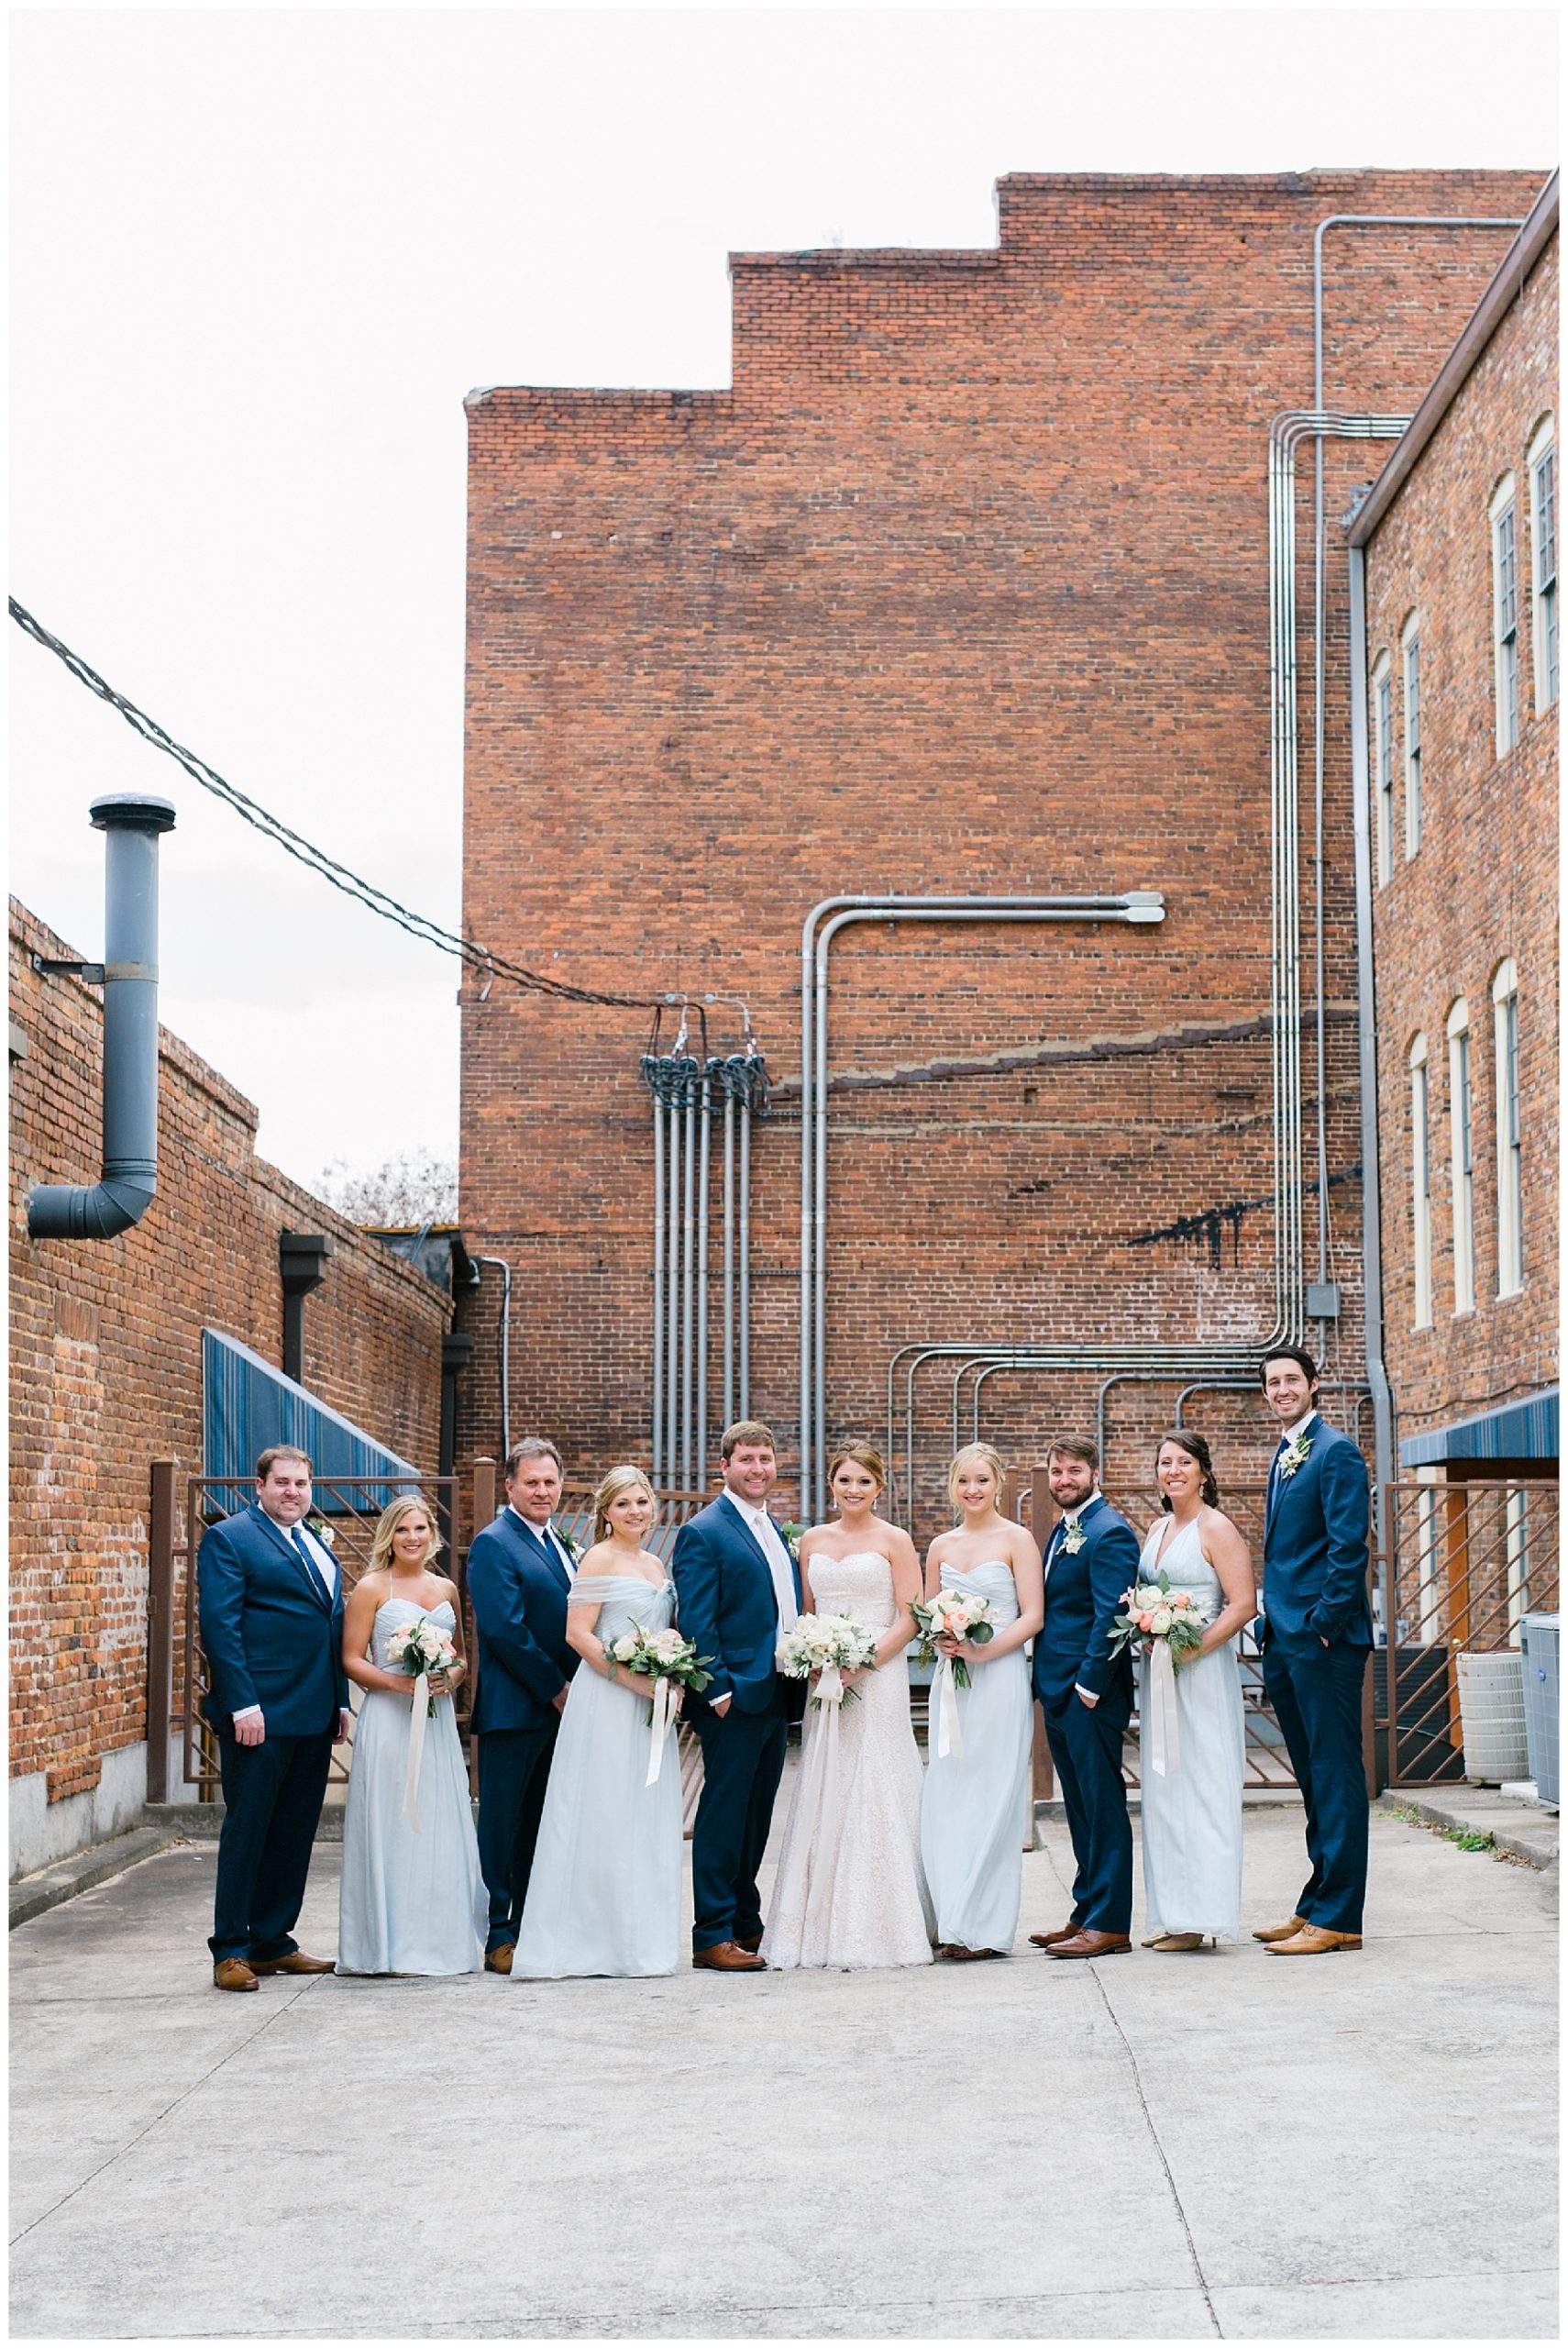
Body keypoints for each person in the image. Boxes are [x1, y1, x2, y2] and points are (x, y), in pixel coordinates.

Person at [762, 1444, 933, 1971]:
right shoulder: (812, 1540)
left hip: (877, 1675)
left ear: (879, 1487)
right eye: (844, 1481)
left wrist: (863, 1662)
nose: (853, 1490)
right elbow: (807, 1614)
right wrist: (811, 1657)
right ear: (830, 1485)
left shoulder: (895, 1540)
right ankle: (816, 1923)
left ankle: (888, 1920)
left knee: (876, 1774)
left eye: (863, 1481)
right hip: (825, 1680)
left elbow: (911, 1615)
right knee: (828, 1777)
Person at [514, 1467, 684, 1978]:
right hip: (608, 1700)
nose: (635, 1512)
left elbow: (662, 1629)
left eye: (642, 1502)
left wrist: (668, 1670)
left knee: (642, 1814)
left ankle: (636, 1940)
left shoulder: (656, 1563)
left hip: (649, 1704)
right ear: (605, 1512)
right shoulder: (599, 1557)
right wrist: (633, 1680)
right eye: (624, 1504)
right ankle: (591, 1941)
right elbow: (578, 1635)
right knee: (603, 1811)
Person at [196, 1445, 349, 1990]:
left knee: (293, 1832)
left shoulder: (314, 1542)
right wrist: (242, 1702)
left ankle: (272, 1941)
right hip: (257, 1713)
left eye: (301, 1483)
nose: (292, 1491)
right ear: (258, 1487)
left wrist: (340, 1701)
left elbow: (330, 1626)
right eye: (282, 1482)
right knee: (249, 1829)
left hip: (312, 1712)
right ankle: (231, 1949)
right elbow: (220, 1626)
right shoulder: (230, 1538)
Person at [671, 1420, 805, 1973]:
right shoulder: (705, 1531)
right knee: (725, 1816)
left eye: (765, 1459)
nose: (757, 1469)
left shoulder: (772, 1527)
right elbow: (698, 1619)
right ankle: (712, 1933)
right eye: (746, 1459)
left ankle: (746, 1923)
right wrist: (719, 1689)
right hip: (734, 1697)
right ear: (724, 1467)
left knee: (757, 1814)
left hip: (775, 1692)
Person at [1252, 1346, 1374, 1955]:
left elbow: (1349, 1549)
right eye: (1272, 1382)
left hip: (1323, 1642)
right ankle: (1315, 1903)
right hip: (1285, 1638)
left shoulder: (1336, 1452)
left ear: (1314, 1385)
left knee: (1334, 1774)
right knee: (1310, 1777)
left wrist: (1323, 1625)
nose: (1281, 1389)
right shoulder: (1285, 1454)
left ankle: (1340, 1917)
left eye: (1291, 1379)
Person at [337, 1493, 486, 1977]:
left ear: (432, 1535)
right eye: (403, 1530)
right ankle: (387, 1946)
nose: (413, 1538)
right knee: (392, 1822)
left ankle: (438, 1943)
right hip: (389, 1718)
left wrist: (453, 1677)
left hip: (436, 1723)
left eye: (420, 1529)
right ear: (389, 1537)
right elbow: (353, 1659)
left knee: (437, 1824)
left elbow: (460, 1655)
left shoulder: (445, 1589)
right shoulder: (371, 1588)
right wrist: (400, 1682)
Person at [919, 1443, 1043, 1960]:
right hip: (953, 1682)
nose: (973, 1490)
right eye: (964, 1481)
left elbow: (1032, 1616)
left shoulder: (1018, 1540)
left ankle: (985, 1929)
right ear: (954, 1485)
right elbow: (927, 1614)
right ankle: (952, 1919)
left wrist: (983, 1648)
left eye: (983, 1481)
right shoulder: (940, 1546)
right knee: (949, 1797)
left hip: (1000, 1678)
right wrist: (943, 1640)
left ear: (999, 1484)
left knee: (994, 1796)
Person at [1134, 1432, 1253, 1951]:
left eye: (1185, 1462)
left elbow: (1242, 1604)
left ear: (1204, 1472)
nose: (1174, 1470)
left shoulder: (1216, 1527)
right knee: (1164, 1790)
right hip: (1159, 1674)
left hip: (1200, 1674)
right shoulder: (1158, 1527)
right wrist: (1146, 1629)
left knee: (1203, 1789)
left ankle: (1203, 1917)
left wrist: (1193, 1649)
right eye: (1165, 1462)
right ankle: (1176, 1916)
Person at [466, 1436, 580, 1975]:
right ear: (509, 1486)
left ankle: (533, 1923)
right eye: (531, 1482)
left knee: (542, 1821)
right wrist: (557, 1689)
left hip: (561, 1711)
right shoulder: (496, 1543)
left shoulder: (559, 1543)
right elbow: (504, 1630)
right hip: (518, 1708)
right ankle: (498, 1932)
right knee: (504, 1823)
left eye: (550, 1482)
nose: (541, 1491)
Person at [1028, 1435, 1141, 1961]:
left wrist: (1089, 1686)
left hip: (1087, 1693)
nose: (1063, 1480)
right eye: (1056, 1471)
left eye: (1073, 1470)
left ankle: (1111, 1922)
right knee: (1079, 1809)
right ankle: (1084, 1912)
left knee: (1102, 1807)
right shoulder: (1065, 1527)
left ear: (1095, 1473)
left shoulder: (1110, 1531)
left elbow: (1112, 1617)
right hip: (1057, 1687)